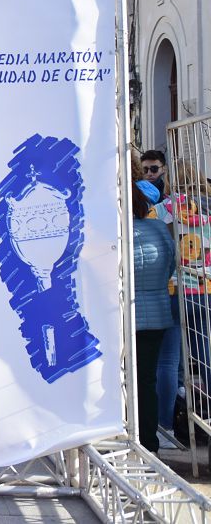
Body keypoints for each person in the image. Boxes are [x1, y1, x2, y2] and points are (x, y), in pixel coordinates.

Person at [131, 181, 176, 453]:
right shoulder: (160, 229)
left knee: (122, 379)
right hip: (158, 314)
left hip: (125, 316)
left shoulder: (115, 234)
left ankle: (127, 435)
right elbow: (171, 265)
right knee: (147, 379)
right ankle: (149, 440)